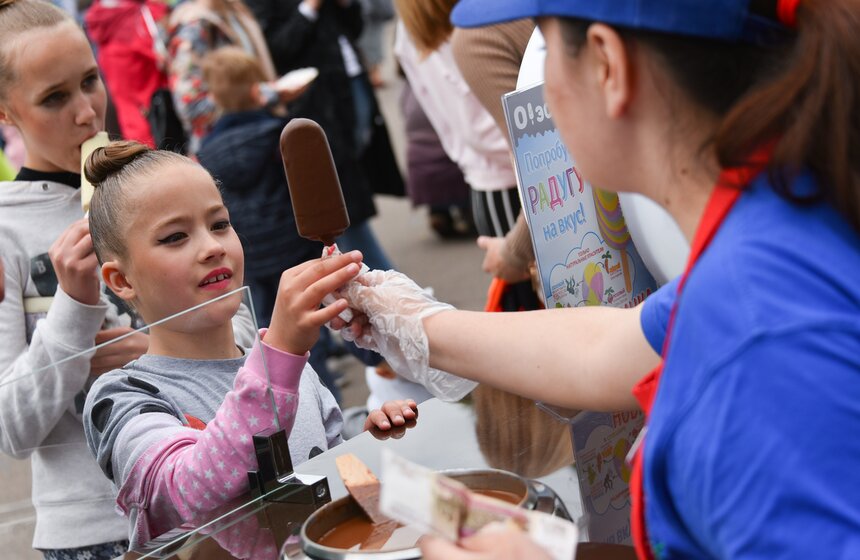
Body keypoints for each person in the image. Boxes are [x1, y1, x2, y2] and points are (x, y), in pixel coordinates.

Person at [337, 0, 860, 558]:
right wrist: (414, 323)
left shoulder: (755, 346)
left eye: (543, 41)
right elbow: (613, 347)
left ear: (607, 66)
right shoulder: (781, 216)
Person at [80, 141, 418, 548]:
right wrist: (280, 353)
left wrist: (369, 443)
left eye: (219, 223)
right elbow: (188, 492)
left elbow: (334, 488)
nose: (212, 247)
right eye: (174, 237)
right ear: (121, 280)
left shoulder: (291, 370)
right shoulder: (123, 398)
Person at [0, 1, 148, 557]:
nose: (87, 113)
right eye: (54, 98)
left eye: (90, 81)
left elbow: (242, 337)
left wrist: (157, 344)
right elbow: (12, 430)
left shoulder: (153, 184)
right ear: (5, 114)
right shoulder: (6, 231)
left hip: (211, 488)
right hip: (95, 531)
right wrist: (73, 308)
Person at [166, 0, 279, 155]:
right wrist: (262, 94)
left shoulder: (238, 12)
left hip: (257, 134)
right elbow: (191, 107)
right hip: (225, 149)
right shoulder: (194, 27)